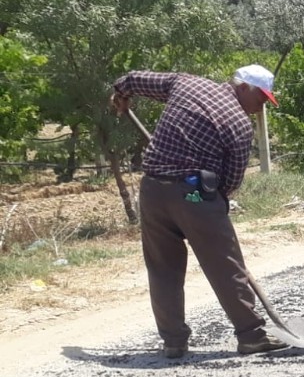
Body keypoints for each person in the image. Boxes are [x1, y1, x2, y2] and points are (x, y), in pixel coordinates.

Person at [109, 65, 290, 359]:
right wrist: (211, 208)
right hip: (195, 195)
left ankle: (173, 342)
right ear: (243, 87)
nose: (261, 107)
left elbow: (132, 79)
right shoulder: (239, 125)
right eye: (260, 98)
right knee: (226, 266)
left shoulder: (186, 84)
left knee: (163, 268)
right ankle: (252, 336)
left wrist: (121, 93)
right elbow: (231, 182)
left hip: (154, 191)